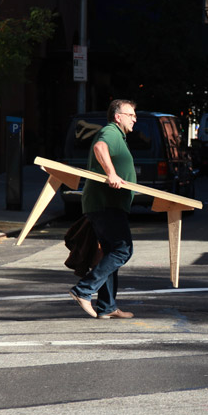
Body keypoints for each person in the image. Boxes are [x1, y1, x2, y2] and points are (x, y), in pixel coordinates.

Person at [69, 100, 138, 319]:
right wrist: (111, 173)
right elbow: (100, 147)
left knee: (110, 253)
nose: (134, 119)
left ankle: (107, 307)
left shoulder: (118, 136)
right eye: (131, 115)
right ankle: (83, 290)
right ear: (118, 117)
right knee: (123, 250)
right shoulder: (111, 132)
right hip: (105, 204)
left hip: (107, 203)